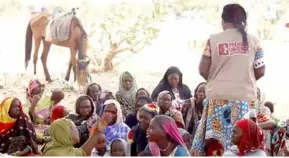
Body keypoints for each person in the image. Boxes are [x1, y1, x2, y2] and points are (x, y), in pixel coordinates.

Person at [192, 3, 265, 156]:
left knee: (216, 144)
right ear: (243, 20)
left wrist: (216, 79)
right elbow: (260, 70)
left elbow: (202, 69)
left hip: (218, 99)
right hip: (245, 100)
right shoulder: (254, 41)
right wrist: (245, 79)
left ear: (223, 20)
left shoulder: (213, 40)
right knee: (244, 145)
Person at [42, 114, 112, 156]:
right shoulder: (63, 155)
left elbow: (83, 151)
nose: (77, 130)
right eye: (75, 128)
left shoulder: (53, 147)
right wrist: (98, 130)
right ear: (67, 133)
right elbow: (83, 152)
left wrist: (98, 130)